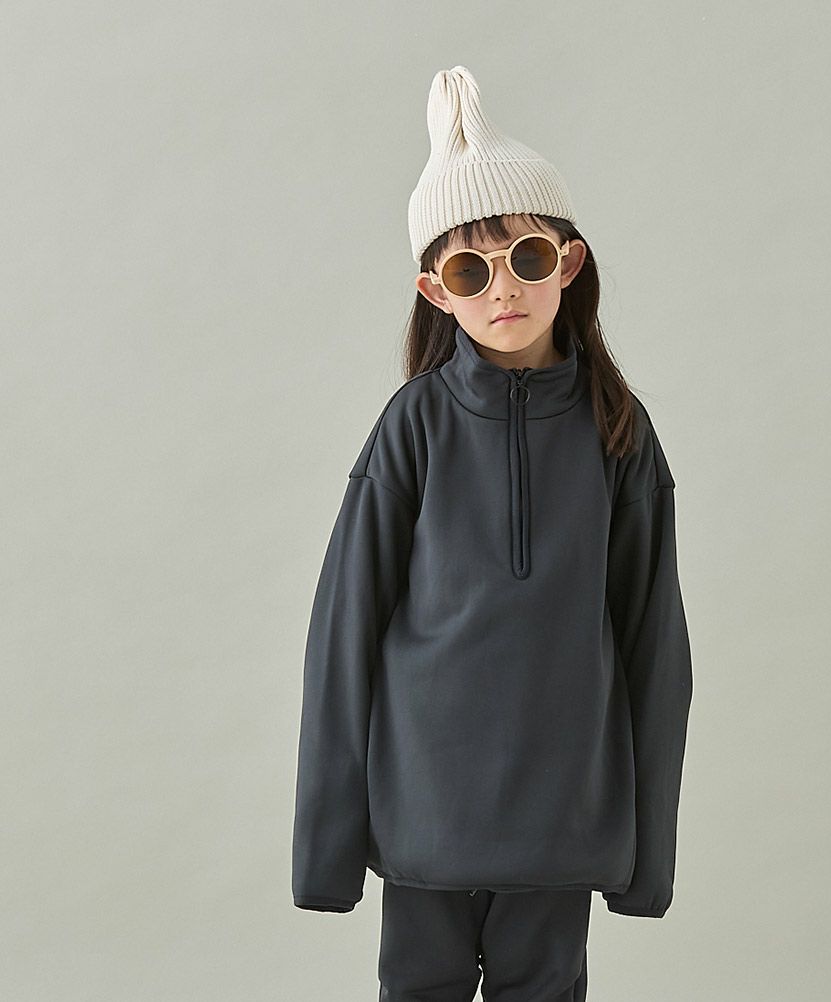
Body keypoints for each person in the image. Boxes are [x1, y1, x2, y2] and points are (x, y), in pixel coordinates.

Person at [292, 65, 693, 1002]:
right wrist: (326, 851)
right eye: (471, 270)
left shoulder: (617, 430)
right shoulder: (414, 426)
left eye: (527, 257)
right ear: (436, 291)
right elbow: (344, 636)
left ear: (570, 263)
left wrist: (648, 856)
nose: (502, 288)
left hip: (561, 823)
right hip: (423, 817)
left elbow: (654, 647)